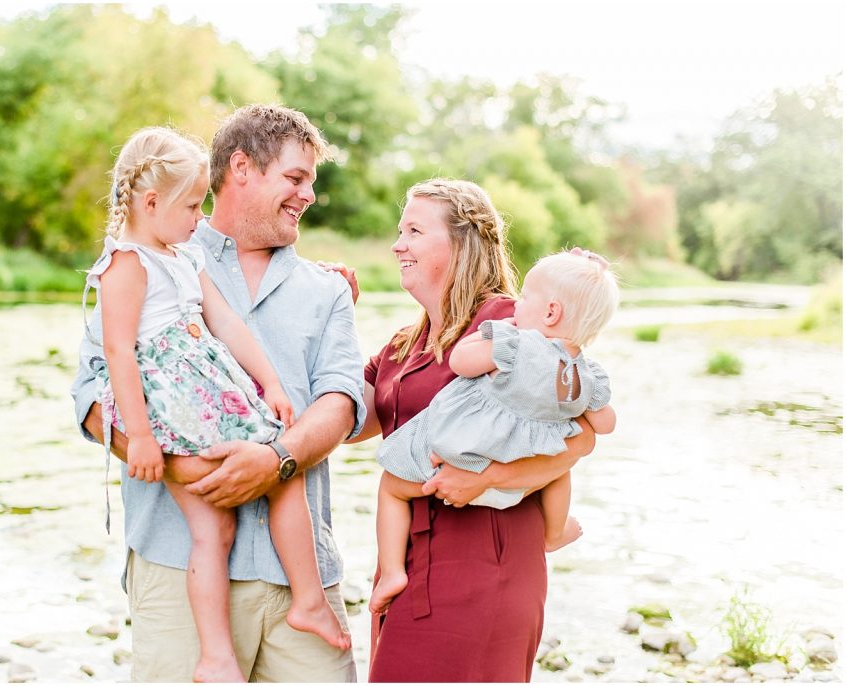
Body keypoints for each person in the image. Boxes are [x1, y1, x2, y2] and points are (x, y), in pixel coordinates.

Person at [70, 105, 364, 683]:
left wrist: (277, 461)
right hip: (177, 566)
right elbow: (91, 399)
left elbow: (342, 402)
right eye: (296, 178)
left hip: (298, 578)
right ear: (242, 168)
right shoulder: (151, 259)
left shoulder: (327, 290)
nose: (309, 196)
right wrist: (182, 469)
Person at [349, 178, 597, 682]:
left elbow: (583, 436)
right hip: (407, 563)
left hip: (487, 560)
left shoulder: (511, 325)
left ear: (461, 243)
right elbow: (350, 421)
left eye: (414, 231)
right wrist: (327, 310)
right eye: (400, 231)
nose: (398, 244)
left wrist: (491, 477)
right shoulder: (404, 342)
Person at [369, 248, 620, 613]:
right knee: (559, 467)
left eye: (527, 296)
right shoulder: (585, 373)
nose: (517, 303)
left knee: (392, 487)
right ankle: (555, 529)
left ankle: (391, 571)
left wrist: (484, 338)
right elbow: (605, 424)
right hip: (519, 479)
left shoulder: (516, 344)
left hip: (461, 460)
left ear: (550, 312)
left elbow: (461, 362)